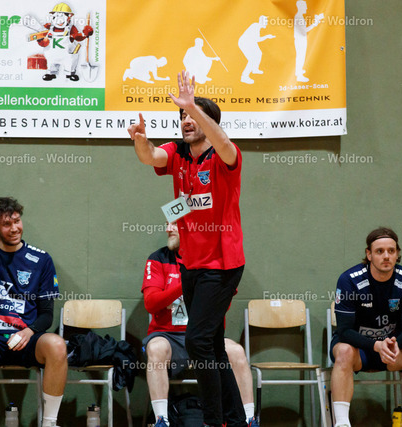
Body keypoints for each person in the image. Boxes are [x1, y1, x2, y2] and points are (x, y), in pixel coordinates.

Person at [128, 70, 246, 427]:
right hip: (191, 264)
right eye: (182, 116)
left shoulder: (225, 157)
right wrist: (140, 140)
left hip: (222, 265)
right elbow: (150, 157)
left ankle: (213, 420)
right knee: (212, 345)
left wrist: (194, 106)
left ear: (209, 122)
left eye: (192, 116)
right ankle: (234, 420)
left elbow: (223, 142)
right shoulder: (178, 152)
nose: (186, 121)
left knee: (197, 341)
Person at [0, 195, 66, 427]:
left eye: (17, 221)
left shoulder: (41, 259)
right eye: (6, 224)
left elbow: (47, 314)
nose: (15, 228)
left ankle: (49, 422)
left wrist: (29, 331)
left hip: (27, 338)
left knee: (57, 345)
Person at [142, 223, 257, 427]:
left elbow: (223, 307)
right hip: (169, 336)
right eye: (168, 222)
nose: (169, 228)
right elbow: (151, 303)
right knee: (156, 349)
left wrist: (207, 289)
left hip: (205, 337)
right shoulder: (158, 258)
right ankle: (162, 420)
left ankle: (249, 419)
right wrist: (188, 284)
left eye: (175, 223)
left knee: (237, 352)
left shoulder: (212, 264)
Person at [330, 227, 402, 427]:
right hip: (358, 350)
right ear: (369, 254)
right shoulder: (349, 280)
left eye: (391, 251)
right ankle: (341, 423)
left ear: (397, 253)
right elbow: (344, 332)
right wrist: (376, 345)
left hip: (391, 351)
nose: (386, 256)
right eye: (379, 251)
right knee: (344, 351)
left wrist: (392, 344)